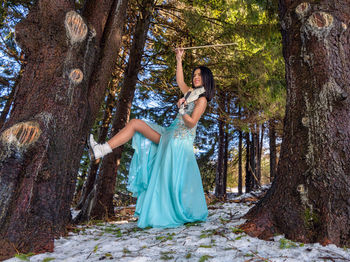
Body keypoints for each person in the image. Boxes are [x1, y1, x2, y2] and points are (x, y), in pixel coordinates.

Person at [88, 48, 215, 228]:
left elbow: (192, 123)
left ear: (206, 79)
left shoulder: (202, 100)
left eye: (199, 75)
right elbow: (180, 80)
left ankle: (163, 213)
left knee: (166, 178)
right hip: (168, 133)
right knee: (135, 124)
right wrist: (179, 58)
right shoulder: (189, 93)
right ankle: (101, 149)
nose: (195, 77)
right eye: (194, 74)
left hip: (179, 141)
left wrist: (181, 110)